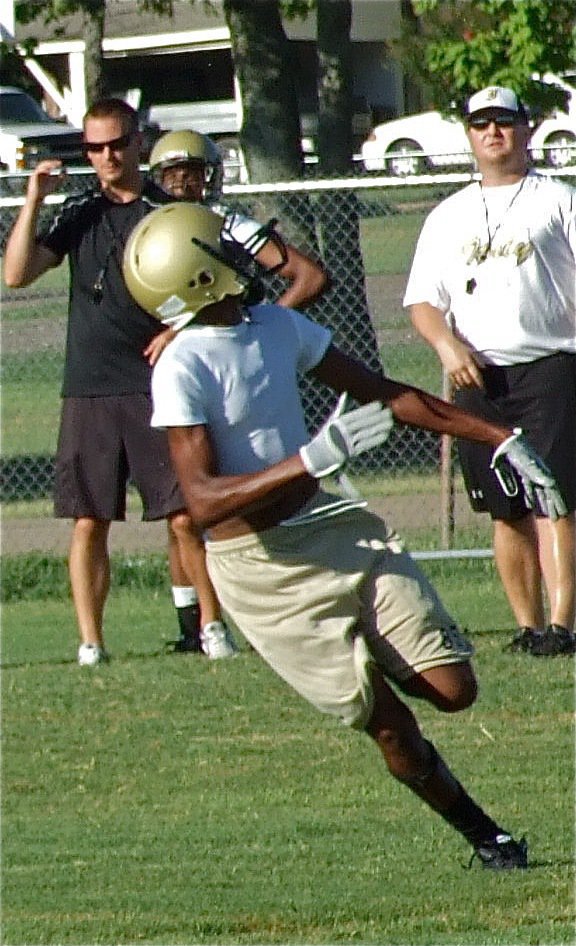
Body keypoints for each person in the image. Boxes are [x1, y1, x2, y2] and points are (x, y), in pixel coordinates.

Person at [125, 203, 565, 868]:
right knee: (391, 726)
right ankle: (487, 837)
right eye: (224, 248)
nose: (245, 254)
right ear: (195, 277)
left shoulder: (275, 324)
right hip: (260, 570)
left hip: (328, 527)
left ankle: (380, 646)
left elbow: (386, 392)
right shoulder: (181, 365)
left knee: (454, 689)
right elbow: (203, 500)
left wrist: (500, 437)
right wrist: (308, 459)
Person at [3, 97, 238, 664]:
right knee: (90, 520)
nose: (107, 156)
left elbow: (221, 290)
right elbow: (15, 275)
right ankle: (91, 642)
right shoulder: (81, 212)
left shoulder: (169, 211)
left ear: (137, 143)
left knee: (183, 514)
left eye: (116, 144)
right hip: (90, 385)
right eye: (94, 147)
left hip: (159, 383)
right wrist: (33, 199)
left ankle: (212, 628)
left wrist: (178, 333)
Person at [404, 86, 576, 657]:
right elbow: (423, 301)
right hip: (478, 375)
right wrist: (447, 346)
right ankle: (527, 626)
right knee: (505, 508)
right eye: (481, 123)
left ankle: (563, 624)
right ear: (469, 135)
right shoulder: (447, 215)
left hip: (549, 364)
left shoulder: (557, 201)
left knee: (556, 500)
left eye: (505, 121)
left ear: (526, 131)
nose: (493, 132)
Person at [147, 128, 329, 309]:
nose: (180, 181)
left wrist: (270, 321)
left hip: (221, 329)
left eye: (190, 172)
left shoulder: (227, 224)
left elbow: (311, 277)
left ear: (208, 176)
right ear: (159, 178)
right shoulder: (147, 224)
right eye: (171, 173)